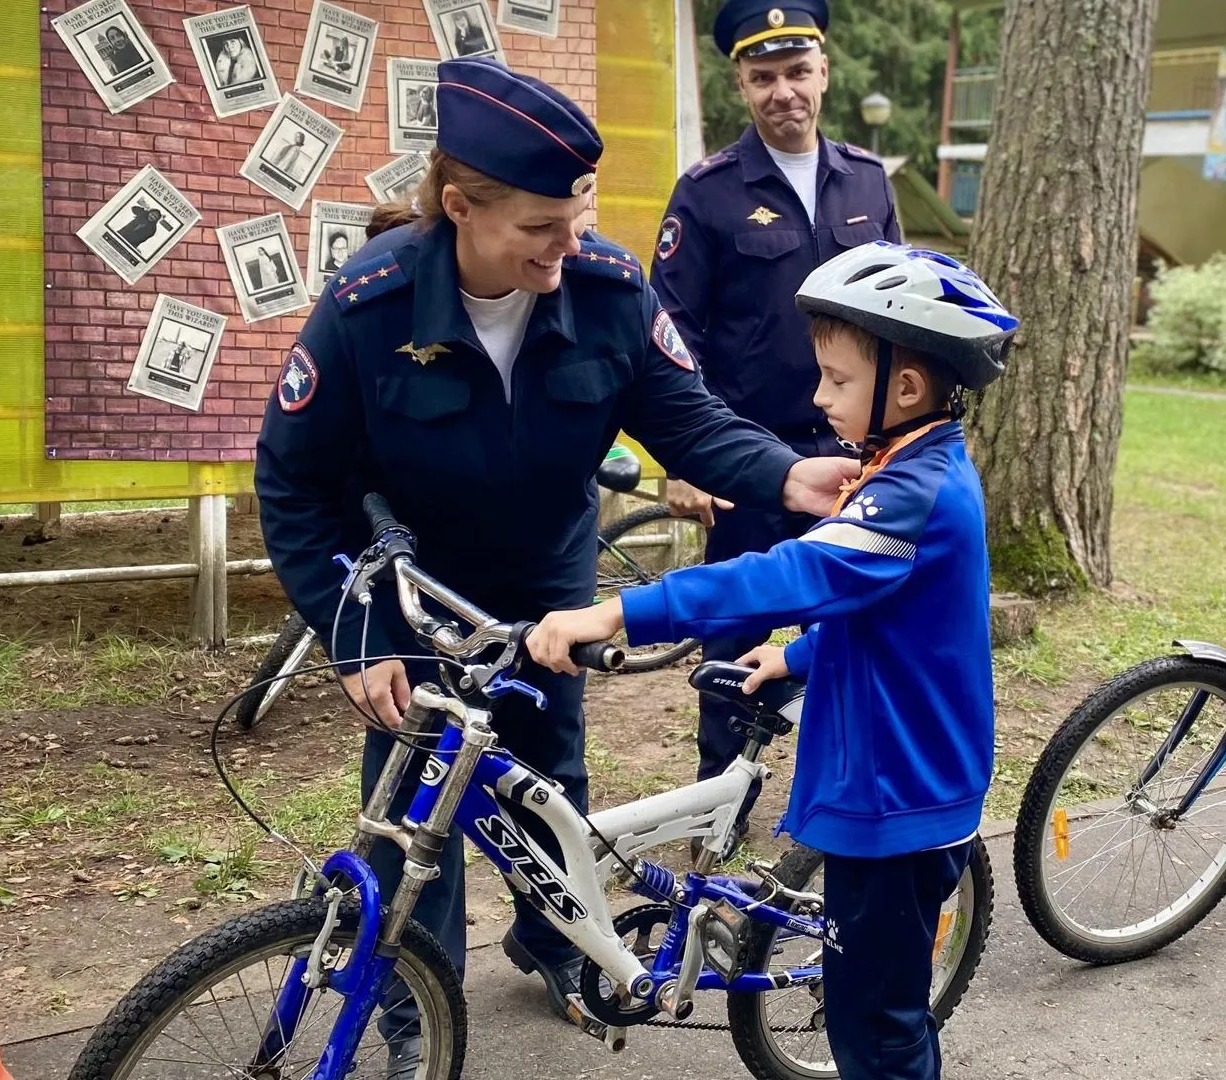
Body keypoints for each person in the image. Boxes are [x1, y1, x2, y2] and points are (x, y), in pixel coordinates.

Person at [253, 56, 860, 1073]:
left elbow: (690, 419)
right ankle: (413, 1017)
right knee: (417, 812)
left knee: (549, 779)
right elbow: (292, 485)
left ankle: (558, 950)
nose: (568, 242)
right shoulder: (369, 308)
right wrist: (359, 637)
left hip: (543, 579)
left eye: (578, 212)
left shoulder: (608, 289)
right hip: (416, 592)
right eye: (540, 226)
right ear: (460, 208)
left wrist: (789, 476)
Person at [527, 241, 1014, 1080]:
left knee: (879, 1033)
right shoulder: (907, 469)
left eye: (836, 378)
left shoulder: (911, 493)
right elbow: (904, 623)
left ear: (905, 385)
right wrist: (799, 660)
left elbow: (789, 575)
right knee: (869, 1008)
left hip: (897, 808)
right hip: (893, 785)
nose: (818, 396)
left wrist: (617, 609)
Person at [650, 0, 900, 855]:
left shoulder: (868, 179)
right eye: (764, 77)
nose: (783, 92)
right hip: (749, 458)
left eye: (798, 72)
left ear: (824, 72)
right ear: (741, 85)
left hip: (857, 454)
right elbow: (669, 331)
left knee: (851, 627)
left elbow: (899, 315)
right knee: (736, 635)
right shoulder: (709, 191)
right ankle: (720, 812)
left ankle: (838, 800)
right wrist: (687, 457)